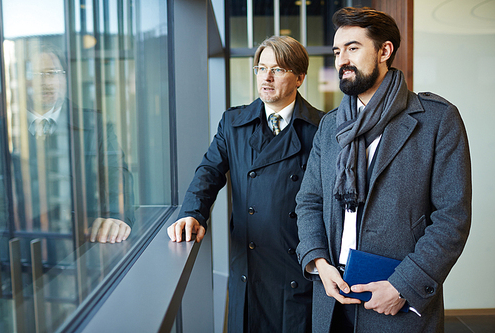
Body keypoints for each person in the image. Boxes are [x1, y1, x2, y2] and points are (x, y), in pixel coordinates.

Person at [295, 7, 471, 333]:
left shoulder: (437, 119)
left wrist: (402, 286)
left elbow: (452, 218)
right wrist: (318, 262)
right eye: (337, 51)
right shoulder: (331, 125)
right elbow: (309, 200)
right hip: (333, 295)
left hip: (397, 301)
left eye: (353, 47)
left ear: (384, 51)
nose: (341, 60)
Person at [167, 36, 324, 332]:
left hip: (298, 263)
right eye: (261, 68)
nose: (266, 78)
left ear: (300, 78)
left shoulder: (322, 128)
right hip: (250, 264)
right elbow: (209, 172)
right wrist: (192, 213)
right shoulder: (234, 122)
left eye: (277, 70)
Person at [10, 43, 134, 248]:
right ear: (25, 80)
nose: (45, 82)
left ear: (64, 79)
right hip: (20, 248)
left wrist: (116, 217)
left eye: (52, 73)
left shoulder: (96, 124)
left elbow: (116, 172)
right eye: (36, 74)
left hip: (83, 243)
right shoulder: (5, 130)